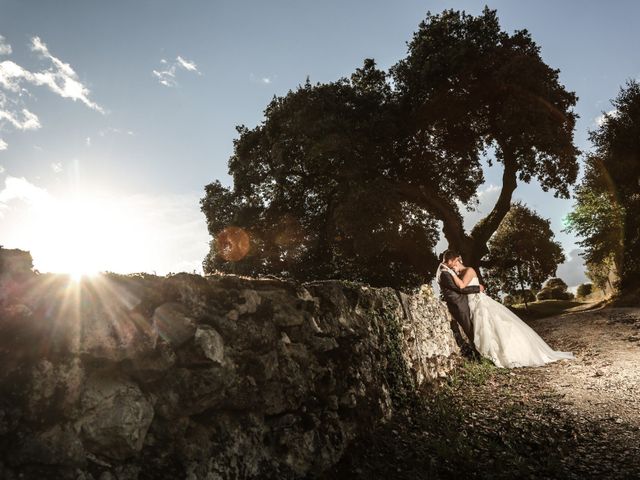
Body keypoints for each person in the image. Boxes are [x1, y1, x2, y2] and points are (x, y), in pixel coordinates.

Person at [442, 256, 574, 368]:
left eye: (453, 265)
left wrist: (451, 273)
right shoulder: (458, 274)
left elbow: (462, 286)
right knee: (484, 329)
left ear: (457, 260)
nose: (453, 269)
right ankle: (488, 354)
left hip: (479, 302)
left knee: (492, 326)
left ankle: (505, 354)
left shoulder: (469, 270)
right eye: (451, 267)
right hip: (472, 303)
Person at [436, 250, 484, 356]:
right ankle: (480, 354)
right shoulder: (444, 272)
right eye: (452, 263)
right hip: (458, 304)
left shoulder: (446, 270)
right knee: (470, 330)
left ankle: (481, 353)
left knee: (475, 327)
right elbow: (460, 289)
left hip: (463, 302)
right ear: (451, 261)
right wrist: (477, 288)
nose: (453, 266)